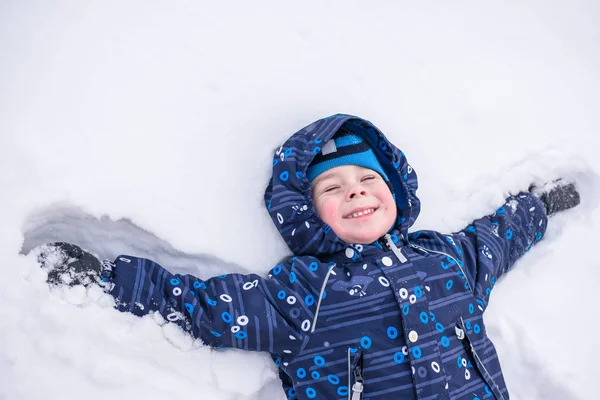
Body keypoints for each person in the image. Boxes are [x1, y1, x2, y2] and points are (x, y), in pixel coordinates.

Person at [36, 114, 580, 400]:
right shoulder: (305, 290)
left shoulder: (447, 260)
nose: (356, 192)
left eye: (369, 178)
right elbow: (206, 306)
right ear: (306, 212)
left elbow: (497, 236)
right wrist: (105, 281)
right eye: (333, 188)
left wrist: (536, 206)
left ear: (396, 193)